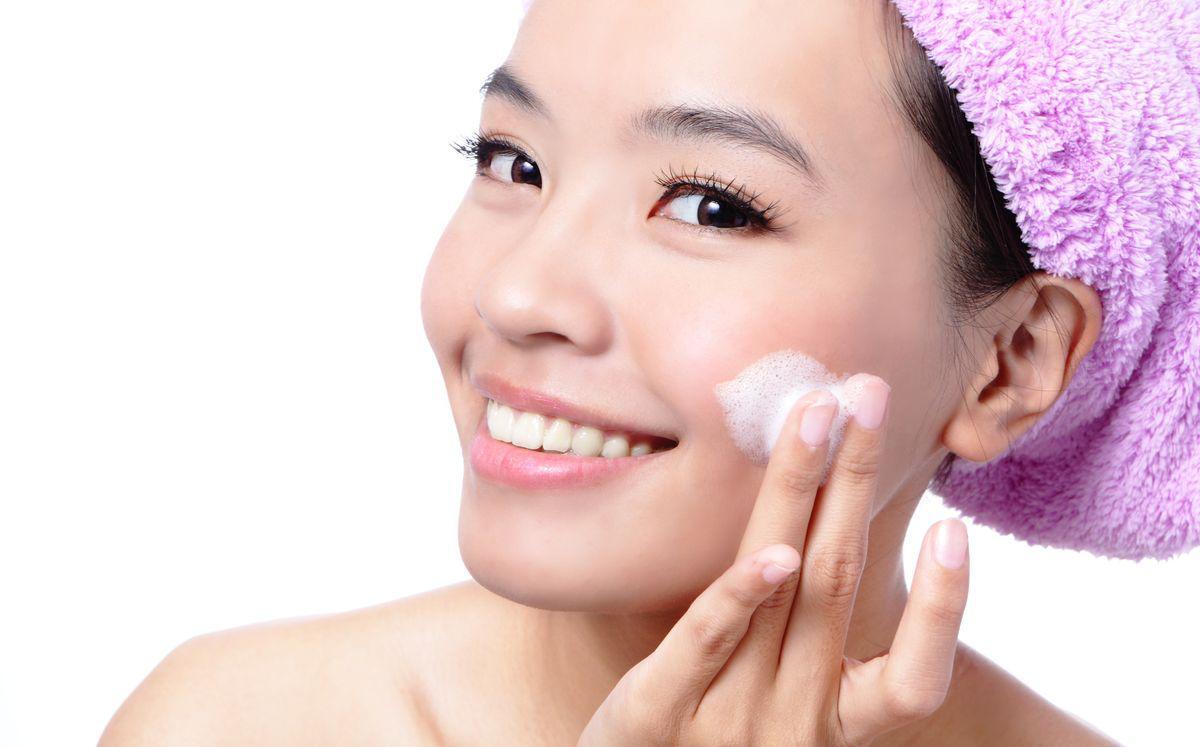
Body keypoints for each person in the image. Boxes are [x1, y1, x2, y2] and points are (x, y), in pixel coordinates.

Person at [101, 0, 1200, 743]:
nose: (518, 294)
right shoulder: (234, 724)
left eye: (713, 205)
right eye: (512, 162)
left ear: (1009, 364)